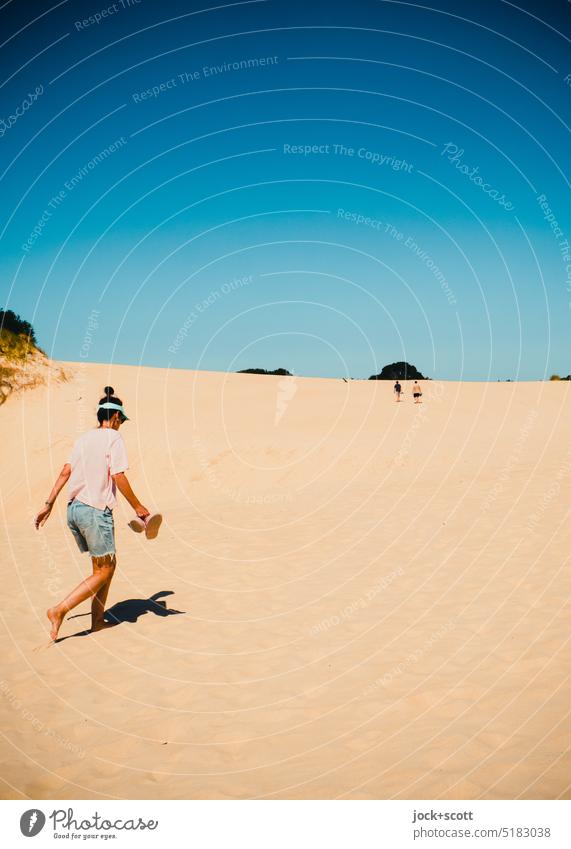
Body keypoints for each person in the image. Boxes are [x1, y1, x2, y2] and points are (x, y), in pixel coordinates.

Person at [34, 387, 161, 641]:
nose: (121, 425)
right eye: (122, 420)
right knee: (104, 570)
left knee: (105, 567)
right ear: (114, 418)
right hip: (94, 510)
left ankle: (97, 621)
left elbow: (65, 472)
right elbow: (118, 475)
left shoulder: (83, 439)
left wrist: (48, 504)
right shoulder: (114, 439)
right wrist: (138, 506)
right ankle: (58, 610)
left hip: (74, 510)